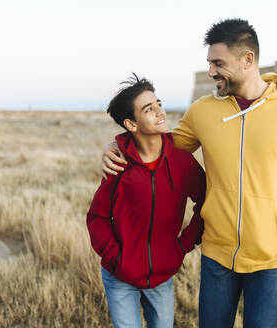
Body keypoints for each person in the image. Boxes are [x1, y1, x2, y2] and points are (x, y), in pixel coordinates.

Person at [101, 19, 277, 328]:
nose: (211, 72)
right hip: (217, 253)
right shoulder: (202, 110)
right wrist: (119, 146)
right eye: (209, 63)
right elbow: (162, 146)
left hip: (272, 256)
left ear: (247, 60)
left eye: (218, 63)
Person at [86, 73, 206, 328]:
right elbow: (97, 217)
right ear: (131, 124)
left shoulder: (181, 160)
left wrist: (182, 245)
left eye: (159, 104)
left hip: (162, 275)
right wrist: (116, 257)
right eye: (149, 109)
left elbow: (206, 200)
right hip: (119, 276)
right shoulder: (119, 163)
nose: (160, 112)